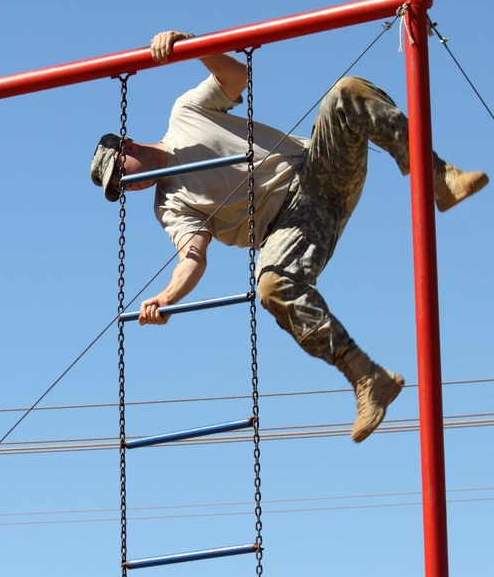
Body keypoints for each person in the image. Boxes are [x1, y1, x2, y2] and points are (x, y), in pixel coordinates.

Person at [90, 30, 488, 442]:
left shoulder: (185, 113)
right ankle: (367, 378)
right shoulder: (169, 204)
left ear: (129, 145)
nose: (125, 186)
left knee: (346, 92)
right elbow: (193, 255)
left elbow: (236, 77)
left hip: (317, 172)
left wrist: (190, 45)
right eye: (118, 189)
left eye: (120, 173)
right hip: (291, 229)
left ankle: (438, 176)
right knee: (272, 284)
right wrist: (167, 297)